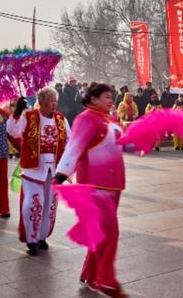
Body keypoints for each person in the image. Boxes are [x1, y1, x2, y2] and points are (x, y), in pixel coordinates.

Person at [55, 83, 132, 298]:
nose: (110, 99)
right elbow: (75, 147)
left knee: (101, 232)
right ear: (92, 98)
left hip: (114, 184)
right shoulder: (85, 119)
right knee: (109, 232)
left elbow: (123, 144)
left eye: (112, 96)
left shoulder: (111, 119)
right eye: (106, 96)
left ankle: (90, 274)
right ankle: (104, 280)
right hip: (95, 185)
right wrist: (61, 174)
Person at [7, 88, 70, 256]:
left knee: (50, 205)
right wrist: (17, 111)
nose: (54, 103)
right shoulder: (29, 116)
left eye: (55, 100)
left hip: (54, 170)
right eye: (51, 100)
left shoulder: (61, 118)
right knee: (34, 204)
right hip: (33, 170)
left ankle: (42, 237)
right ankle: (31, 239)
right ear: (41, 102)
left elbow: (70, 141)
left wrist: (66, 168)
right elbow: (12, 131)